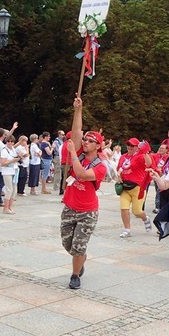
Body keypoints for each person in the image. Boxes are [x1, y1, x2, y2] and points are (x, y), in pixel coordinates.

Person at [61, 96, 107, 289]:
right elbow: (77, 131)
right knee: (68, 244)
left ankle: (75, 275)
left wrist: (72, 154)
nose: (85, 142)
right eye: (85, 140)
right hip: (70, 206)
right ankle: (81, 258)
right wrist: (78, 109)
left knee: (78, 246)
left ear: (98, 146)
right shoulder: (79, 152)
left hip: (87, 211)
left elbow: (80, 173)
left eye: (90, 141)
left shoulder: (100, 166)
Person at [117, 137, 152, 238]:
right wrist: (119, 176)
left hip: (137, 188)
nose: (129, 147)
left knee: (137, 212)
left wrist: (145, 151)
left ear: (137, 147)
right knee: (124, 209)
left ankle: (145, 218)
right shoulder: (123, 157)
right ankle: (127, 229)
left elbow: (149, 163)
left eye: (132, 145)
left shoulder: (140, 156)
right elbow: (119, 169)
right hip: (125, 187)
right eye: (128, 145)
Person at [0, 122, 18, 206]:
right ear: (3, 135)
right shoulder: (0, 145)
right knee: (0, 184)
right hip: (1, 166)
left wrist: (13, 129)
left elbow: (7, 137)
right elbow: (6, 150)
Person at [0, 134, 20, 215]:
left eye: (12, 141)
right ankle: (5, 208)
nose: (10, 143)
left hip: (14, 170)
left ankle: (10, 206)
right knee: (9, 189)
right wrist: (13, 160)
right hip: (7, 171)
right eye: (8, 141)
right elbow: (3, 163)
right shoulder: (4, 150)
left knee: (14, 189)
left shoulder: (13, 149)